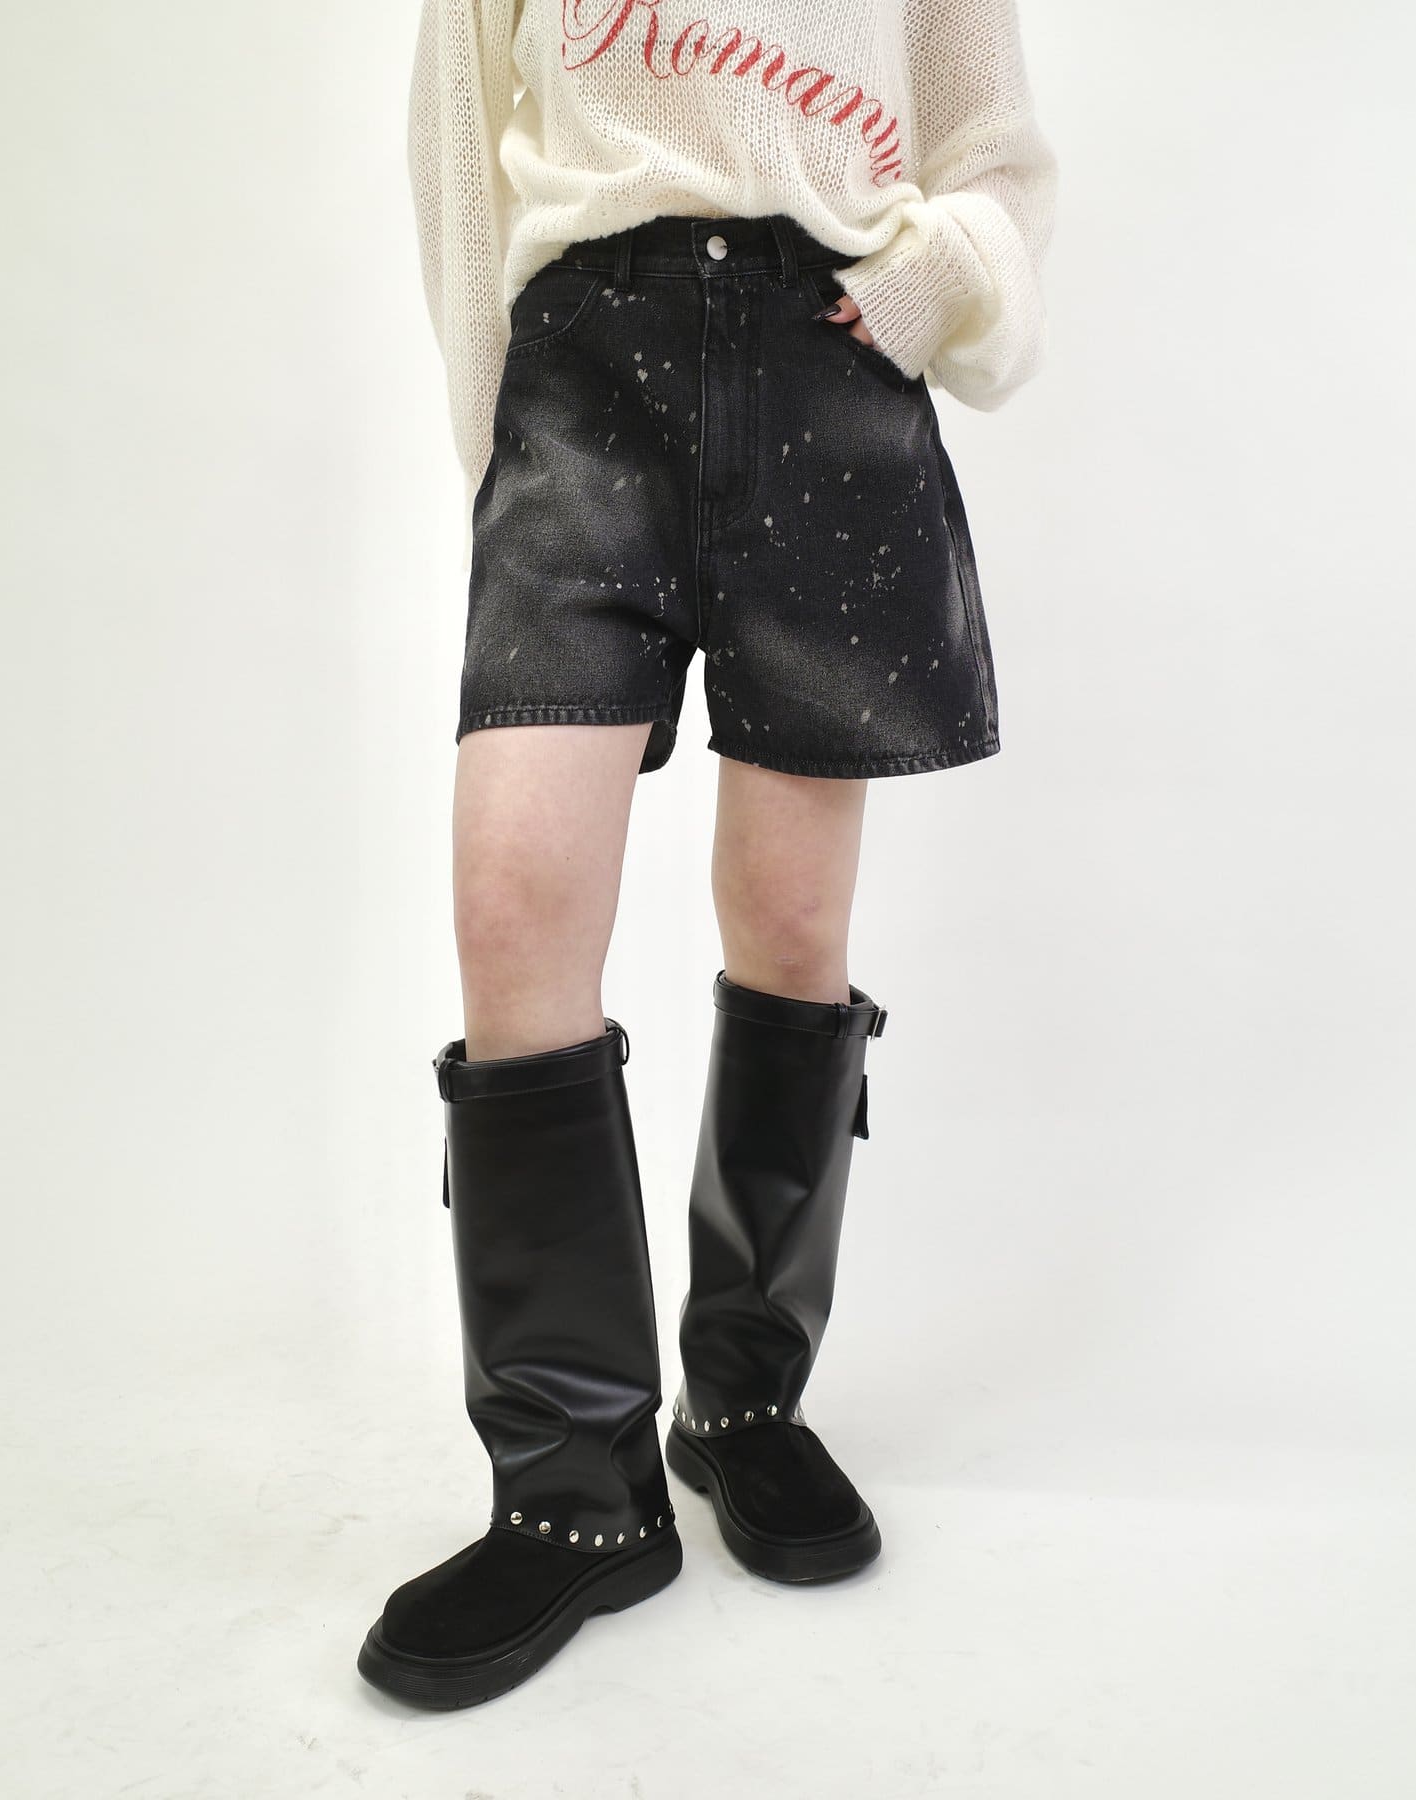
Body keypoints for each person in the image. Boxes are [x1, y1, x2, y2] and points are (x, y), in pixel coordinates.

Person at [356, 0, 1058, 1710]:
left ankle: (742, 1403)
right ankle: (575, 1487)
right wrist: (499, 451)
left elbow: (997, 159)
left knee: (792, 923)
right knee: (513, 903)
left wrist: (928, 283)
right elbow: (458, 159)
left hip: (826, 370)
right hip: (580, 378)